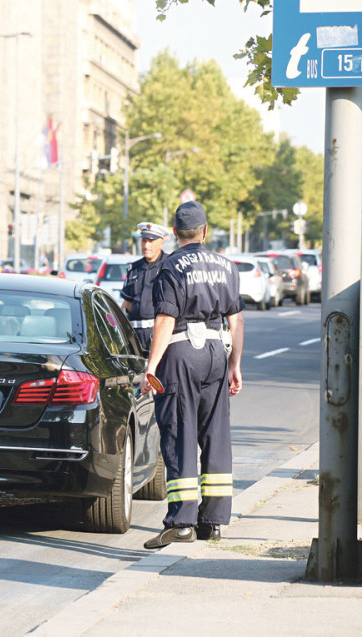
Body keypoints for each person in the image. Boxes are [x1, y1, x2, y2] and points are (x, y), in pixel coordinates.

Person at [140, 201, 244, 549]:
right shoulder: (227, 266)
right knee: (216, 435)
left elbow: (165, 319)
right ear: (205, 230)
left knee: (180, 433)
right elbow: (236, 320)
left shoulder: (170, 266)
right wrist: (235, 364)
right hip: (216, 352)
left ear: (174, 233)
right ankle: (213, 521)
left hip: (182, 352)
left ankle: (182, 522)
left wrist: (151, 367)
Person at [120, 222, 171, 352]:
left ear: (161, 243)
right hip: (134, 334)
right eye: (144, 241)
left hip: (159, 332)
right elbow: (127, 303)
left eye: (151, 241)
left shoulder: (170, 266)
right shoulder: (134, 268)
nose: (146, 245)